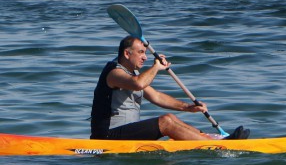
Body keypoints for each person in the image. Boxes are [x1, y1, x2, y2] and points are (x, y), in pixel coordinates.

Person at [90, 35, 250, 141]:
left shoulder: (132, 74)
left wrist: (187, 107)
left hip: (125, 133)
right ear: (126, 54)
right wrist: (156, 67)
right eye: (140, 52)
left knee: (171, 118)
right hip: (107, 136)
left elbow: (156, 96)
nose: (145, 56)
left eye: (145, 52)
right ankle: (216, 147)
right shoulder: (113, 73)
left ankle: (210, 139)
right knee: (165, 122)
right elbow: (139, 83)